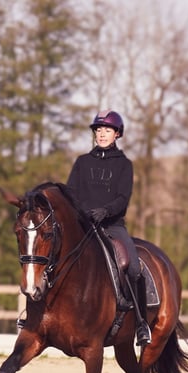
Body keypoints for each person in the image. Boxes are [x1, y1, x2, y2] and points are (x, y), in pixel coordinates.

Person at [66, 110, 152, 346]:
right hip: (83, 225)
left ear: (117, 134)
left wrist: (105, 211)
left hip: (111, 225)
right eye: (98, 130)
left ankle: (142, 323)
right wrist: (82, 212)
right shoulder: (82, 162)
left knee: (133, 267)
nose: (102, 134)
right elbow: (71, 192)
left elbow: (123, 198)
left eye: (107, 130)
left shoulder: (125, 165)